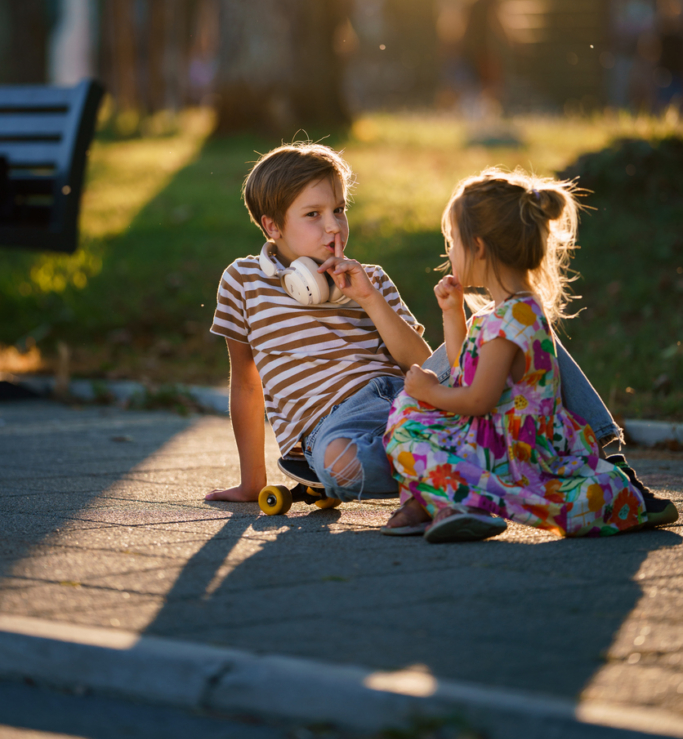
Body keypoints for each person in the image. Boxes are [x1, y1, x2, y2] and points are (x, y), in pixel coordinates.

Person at [204, 143, 671, 517]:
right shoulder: (243, 281)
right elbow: (246, 382)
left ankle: (609, 461)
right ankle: (462, 476)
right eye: (314, 214)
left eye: (340, 210)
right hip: (334, 425)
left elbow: (420, 357)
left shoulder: (371, 277)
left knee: (520, 318)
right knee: (339, 467)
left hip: (414, 392)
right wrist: (252, 481)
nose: (334, 227)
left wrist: (370, 299)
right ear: (272, 225)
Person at [381, 169, 679, 542]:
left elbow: (477, 398)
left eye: (451, 242)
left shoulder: (509, 323)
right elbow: (465, 372)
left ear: (478, 247)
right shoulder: (505, 313)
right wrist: (452, 313)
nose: (448, 253)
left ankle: (460, 502)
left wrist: (428, 392)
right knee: (411, 412)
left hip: (512, 454)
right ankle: (456, 502)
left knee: (405, 420)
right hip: (507, 443)